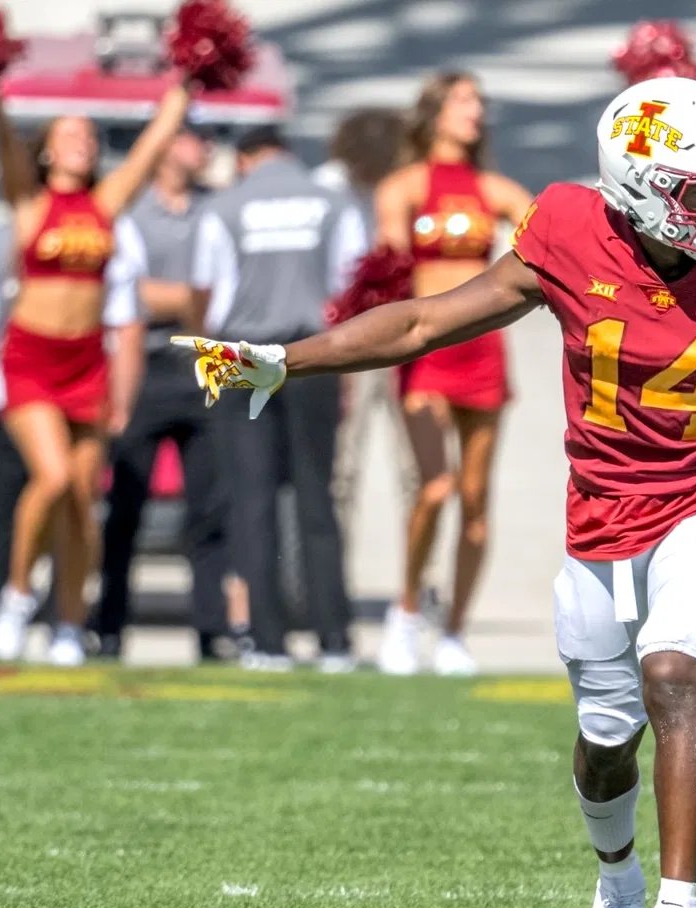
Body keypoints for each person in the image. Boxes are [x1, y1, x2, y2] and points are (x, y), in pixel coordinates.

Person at [176, 75, 696, 908]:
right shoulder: (569, 228)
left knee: (675, 675)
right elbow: (422, 322)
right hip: (601, 517)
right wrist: (286, 361)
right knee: (606, 742)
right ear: (642, 189)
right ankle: (618, 883)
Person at [0, 72, 192, 665]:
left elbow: (151, 147)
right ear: (46, 149)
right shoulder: (30, 203)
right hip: (33, 358)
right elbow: (3, 141)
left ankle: (70, 625)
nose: (83, 143)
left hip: (86, 362)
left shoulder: (104, 204)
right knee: (51, 479)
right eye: (69, 135)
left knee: (79, 503)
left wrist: (186, 85)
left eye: (89, 136)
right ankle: (18, 594)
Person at [371, 72, 532, 677]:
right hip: (426, 353)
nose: (475, 111)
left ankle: (456, 631)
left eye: (478, 102)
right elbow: (388, 268)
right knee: (434, 487)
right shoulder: (403, 187)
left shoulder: (496, 189)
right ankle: (407, 609)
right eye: (463, 100)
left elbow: (549, 232)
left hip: (483, 352)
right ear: (434, 113)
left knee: (475, 501)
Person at [189, 125, 362, 672]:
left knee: (251, 500)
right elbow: (350, 285)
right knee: (317, 500)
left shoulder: (224, 207)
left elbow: (208, 294)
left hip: (241, 355)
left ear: (244, 159)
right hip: (313, 352)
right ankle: (334, 639)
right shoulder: (331, 203)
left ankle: (266, 642)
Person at [0, 221, 143, 656]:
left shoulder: (106, 237)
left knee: (79, 503)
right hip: (13, 387)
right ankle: (5, 607)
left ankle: (67, 624)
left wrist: (123, 396)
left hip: (85, 381)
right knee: (43, 486)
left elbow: (126, 322)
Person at [93, 126, 231, 662]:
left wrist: (180, 299)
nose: (206, 148)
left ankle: (212, 628)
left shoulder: (216, 209)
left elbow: (226, 289)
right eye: (197, 137)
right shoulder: (130, 211)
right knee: (124, 503)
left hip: (203, 366)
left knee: (210, 508)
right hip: (144, 364)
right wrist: (191, 299)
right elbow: (125, 290)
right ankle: (107, 625)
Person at [317, 108, 420, 539]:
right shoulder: (328, 188)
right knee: (343, 463)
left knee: (415, 463)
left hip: (403, 333)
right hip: (348, 333)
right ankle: (335, 566)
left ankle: (421, 569)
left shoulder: (407, 186)